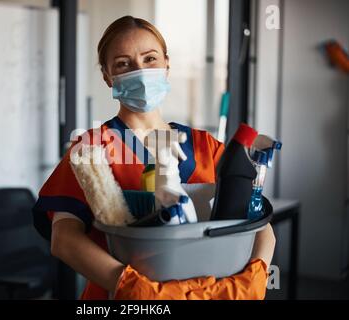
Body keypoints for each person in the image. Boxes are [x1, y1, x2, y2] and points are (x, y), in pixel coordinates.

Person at [33, 15, 276, 300]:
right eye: (124, 64)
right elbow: (64, 240)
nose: (140, 71)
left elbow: (259, 225)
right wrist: (134, 288)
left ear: (166, 65)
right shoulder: (90, 149)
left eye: (150, 59)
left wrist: (255, 277)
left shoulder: (205, 146)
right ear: (107, 76)